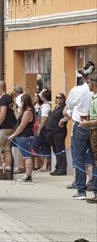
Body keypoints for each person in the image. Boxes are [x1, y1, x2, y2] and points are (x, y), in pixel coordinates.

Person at [60, 61, 94, 200]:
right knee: (94, 158)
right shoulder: (93, 92)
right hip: (93, 125)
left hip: (80, 124)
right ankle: (95, 189)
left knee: (79, 159)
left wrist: (67, 116)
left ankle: (81, 190)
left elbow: (67, 109)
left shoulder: (77, 90)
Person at [8, 94, 36, 183]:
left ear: (24, 102)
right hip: (23, 136)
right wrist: (15, 110)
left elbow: (22, 125)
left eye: (21, 101)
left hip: (25, 136)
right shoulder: (25, 112)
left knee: (27, 156)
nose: (20, 103)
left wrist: (13, 135)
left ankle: (28, 175)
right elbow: (19, 119)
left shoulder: (28, 112)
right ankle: (27, 174)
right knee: (25, 156)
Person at [80, 72, 97, 203]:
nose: (87, 85)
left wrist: (87, 123)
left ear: (93, 83)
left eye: (88, 82)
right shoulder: (94, 98)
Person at [46, 92, 68, 176]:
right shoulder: (56, 107)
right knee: (56, 150)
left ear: (64, 99)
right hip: (51, 132)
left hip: (58, 132)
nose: (58, 99)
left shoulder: (64, 108)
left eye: (60, 98)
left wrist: (63, 121)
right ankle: (58, 167)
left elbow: (68, 115)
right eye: (57, 97)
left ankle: (62, 168)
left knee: (60, 150)